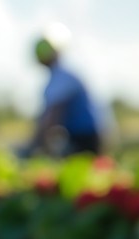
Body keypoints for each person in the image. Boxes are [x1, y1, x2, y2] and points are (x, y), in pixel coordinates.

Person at [19, 23, 109, 159]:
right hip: (89, 133)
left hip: (86, 136)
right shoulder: (61, 76)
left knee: (81, 166)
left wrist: (32, 147)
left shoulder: (61, 78)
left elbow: (51, 117)